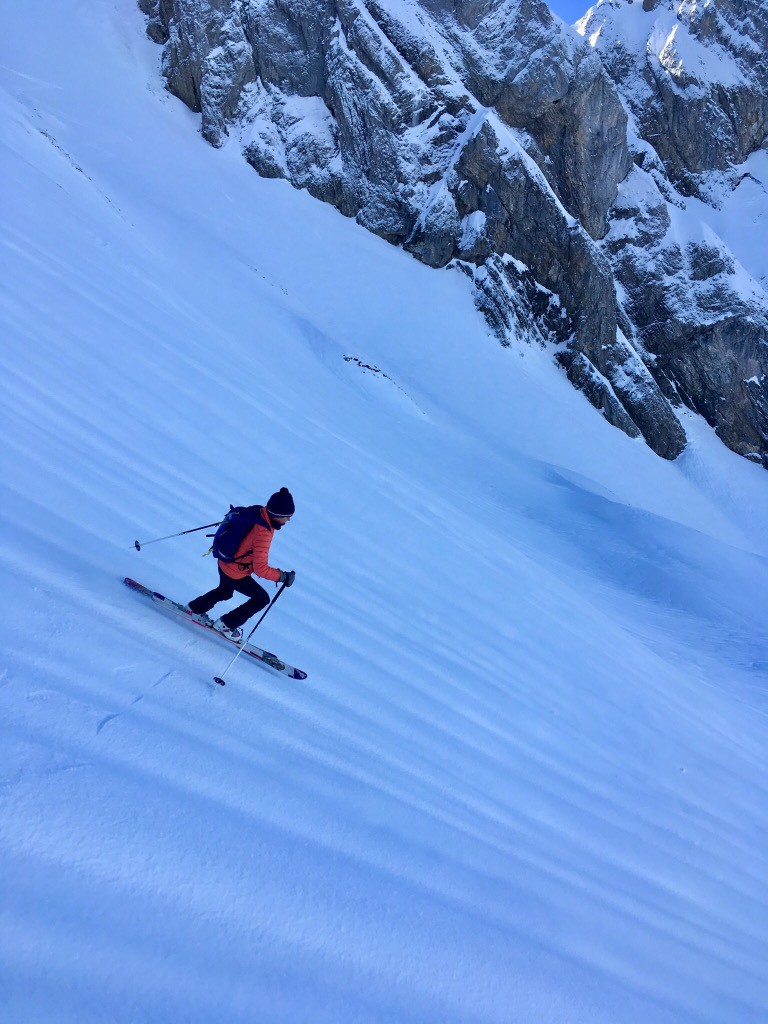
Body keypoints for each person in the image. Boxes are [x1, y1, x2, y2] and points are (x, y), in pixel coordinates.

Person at [187, 487, 296, 641]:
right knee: (262, 599)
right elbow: (261, 569)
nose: (288, 520)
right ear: (277, 515)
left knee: (225, 591)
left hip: (224, 561)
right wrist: (282, 576)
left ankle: (193, 609)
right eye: (286, 517)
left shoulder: (258, 511)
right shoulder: (263, 532)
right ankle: (226, 624)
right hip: (235, 571)